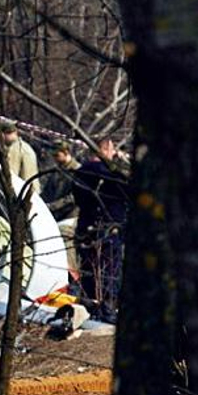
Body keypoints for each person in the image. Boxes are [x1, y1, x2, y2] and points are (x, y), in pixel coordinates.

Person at [72, 138, 130, 322]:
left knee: (88, 270)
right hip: (108, 228)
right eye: (112, 149)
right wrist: (121, 163)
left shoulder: (80, 172)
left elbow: (78, 199)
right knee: (108, 272)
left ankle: (91, 308)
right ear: (105, 149)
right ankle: (106, 311)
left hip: (85, 227)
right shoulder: (113, 174)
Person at [41, 140, 81, 272]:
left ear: (66, 153)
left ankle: (72, 277)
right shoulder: (57, 170)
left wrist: (52, 206)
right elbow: (47, 192)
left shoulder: (77, 171)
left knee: (66, 246)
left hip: (71, 217)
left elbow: (73, 198)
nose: (55, 159)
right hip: (55, 216)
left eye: (57, 155)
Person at [0, 119, 39, 184]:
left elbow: (11, 174)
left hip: (21, 189)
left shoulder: (14, 149)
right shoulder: (26, 147)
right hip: (32, 189)